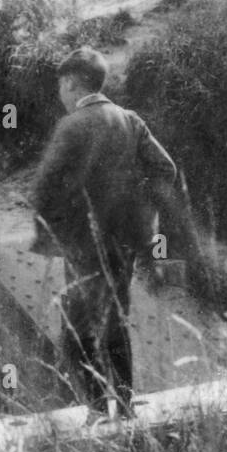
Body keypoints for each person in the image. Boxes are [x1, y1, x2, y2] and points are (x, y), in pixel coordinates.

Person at [30, 47, 178, 419]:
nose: (60, 95)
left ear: (70, 84)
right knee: (115, 318)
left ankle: (96, 406)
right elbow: (166, 170)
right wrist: (139, 212)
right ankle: (125, 406)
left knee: (77, 325)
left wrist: (58, 234)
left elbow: (44, 187)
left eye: (61, 87)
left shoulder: (71, 126)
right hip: (123, 241)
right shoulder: (129, 120)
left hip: (83, 244)